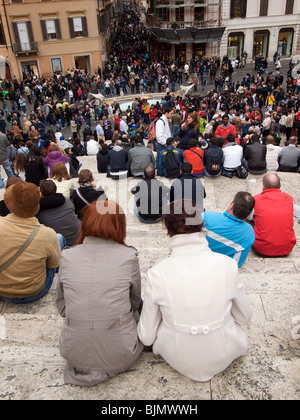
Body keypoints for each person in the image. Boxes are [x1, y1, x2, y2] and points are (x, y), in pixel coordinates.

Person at [137, 199, 253, 382]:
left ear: (168, 230)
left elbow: (146, 337)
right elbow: (245, 317)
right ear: (201, 224)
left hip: (176, 356)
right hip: (224, 350)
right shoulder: (228, 265)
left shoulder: (157, 273)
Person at [56, 200, 143, 386]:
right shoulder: (128, 257)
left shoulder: (67, 256)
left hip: (73, 351)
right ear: (119, 225)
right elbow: (135, 302)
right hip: (121, 352)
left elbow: (62, 305)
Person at [0, 182, 62, 303]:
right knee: (59, 238)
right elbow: (53, 264)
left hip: (2, 290)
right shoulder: (47, 234)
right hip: (34, 291)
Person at [249, 173, 299, 257]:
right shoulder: (288, 199)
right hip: (286, 248)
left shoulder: (256, 200)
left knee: (245, 220)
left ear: (263, 186)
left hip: (261, 249)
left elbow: (248, 217)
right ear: (280, 186)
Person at [202, 192, 255, 267]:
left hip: (200, 258)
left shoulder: (206, 216)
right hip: (221, 266)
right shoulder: (249, 233)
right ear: (249, 213)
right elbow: (237, 262)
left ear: (232, 205)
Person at [37, 180, 81, 247]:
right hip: (76, 236)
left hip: (60, 242)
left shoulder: (38, 210)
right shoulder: (66, 201)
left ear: (41, 193)